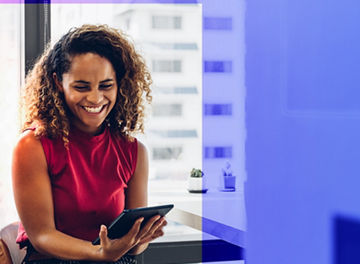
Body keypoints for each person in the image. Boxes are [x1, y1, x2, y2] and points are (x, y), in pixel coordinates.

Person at [12, 24, 166, 264]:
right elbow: (42, 236)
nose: (95, 98)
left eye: (106, 86)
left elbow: (135, 250)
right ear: (57, 82)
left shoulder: (134, 152)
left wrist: (138, 238)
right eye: (81, 87)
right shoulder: (33, 145)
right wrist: (99, 253)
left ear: (120, 84)